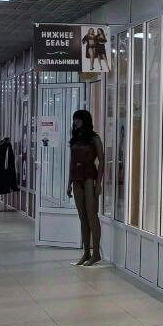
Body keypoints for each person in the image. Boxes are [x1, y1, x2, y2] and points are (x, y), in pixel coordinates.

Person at [66, 109, 104, 265]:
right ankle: (86, 252)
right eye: (74, 119)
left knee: (92, 215)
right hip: (77, 177)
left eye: (78, 119)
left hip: (89, 176)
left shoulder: (94, 138)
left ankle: (96, 253)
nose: (75, 122)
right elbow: (71, 161)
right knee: (82, 216)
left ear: (85, 120)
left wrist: (99, 183)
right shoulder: (75, 139)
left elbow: (101, 161)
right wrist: (68, 183)